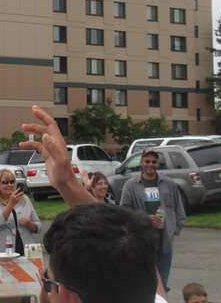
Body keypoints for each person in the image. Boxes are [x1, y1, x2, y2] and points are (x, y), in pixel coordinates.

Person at [20, 105, 165, 303]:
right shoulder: (145, 291)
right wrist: (67, 183)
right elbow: (135, 257)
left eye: (47, 280)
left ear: (67, 297)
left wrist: (68, 183)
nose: (44, 284)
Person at [119, 148, 185, 292]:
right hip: (142, 241)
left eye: (154, 162)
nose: (150, 164)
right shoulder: (131, 185)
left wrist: (175, 229)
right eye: (147, 161)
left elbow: (178, 208)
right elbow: (124, 212)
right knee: (143, 281)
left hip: (164, 241)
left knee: (163, 281)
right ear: (141, 163)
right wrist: (145, 219)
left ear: (158, 164)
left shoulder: (168, 184)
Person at [0, 169, 41, 254]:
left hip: (27, 250)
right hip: (3, 252)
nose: (9, 185)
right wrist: (11, 204)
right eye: (5, 182)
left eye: (12, 182)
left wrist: (29, 223)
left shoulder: (24, 199)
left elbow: (38, 228)